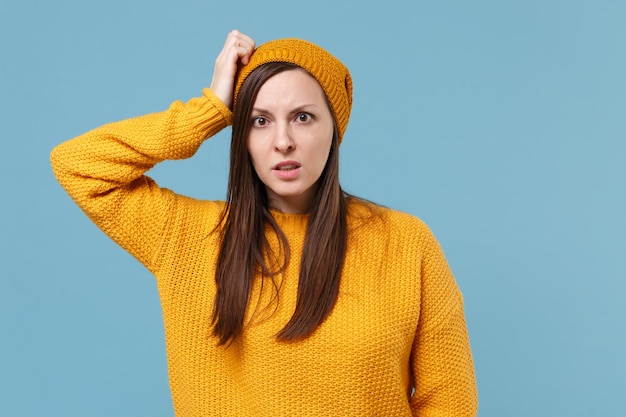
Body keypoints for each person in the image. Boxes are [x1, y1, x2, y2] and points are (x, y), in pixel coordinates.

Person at [51, 30, 478, 416]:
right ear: (243, 135)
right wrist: (209, 111)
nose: (282, 141)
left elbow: (449, 401)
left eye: (303, 117)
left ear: (335, 129)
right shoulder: (183, 234)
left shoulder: (406, 243)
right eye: (259, 120)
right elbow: (77, 164)